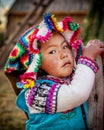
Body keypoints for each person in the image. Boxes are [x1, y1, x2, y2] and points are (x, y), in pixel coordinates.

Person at [4, 13, 104, 130]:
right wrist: (87, 58)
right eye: (52, 52)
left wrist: (91, 53)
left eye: (65, 46)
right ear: (38, 64)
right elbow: (77, 94)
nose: (63, 54)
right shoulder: (36, 93)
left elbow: (82, 73)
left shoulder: (71, 76)